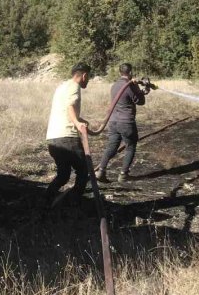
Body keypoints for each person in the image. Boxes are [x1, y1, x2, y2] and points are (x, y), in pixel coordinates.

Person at [44, 62, 92, 208]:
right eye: (88, 77)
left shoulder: (62, 87)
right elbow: (70, 106)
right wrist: (77, 124)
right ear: (84, 75)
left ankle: (45, 201)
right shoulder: (74, 86)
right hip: (67, 138)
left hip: (53, 138)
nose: (88, 80)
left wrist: (81, 121)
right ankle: (73, 204)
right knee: (84, 171)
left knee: (63, 175)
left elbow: (65, 110)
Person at [96, 63, 148, 183]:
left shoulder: (114, 85)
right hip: (126, 122)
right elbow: (140, 101)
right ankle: (123, 174)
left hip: (113, 121)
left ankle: (101, 171)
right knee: (131, 146)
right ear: (130, 72)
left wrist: (140, 90)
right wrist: (142, 91)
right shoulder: (130, 85)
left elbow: (124, 98)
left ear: (120, 72)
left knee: (112, 147)